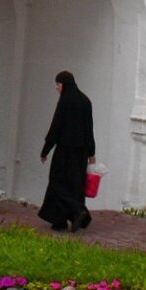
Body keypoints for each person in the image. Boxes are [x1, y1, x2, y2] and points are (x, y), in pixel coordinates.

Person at [38, 70, 95, 232]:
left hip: (64, 151)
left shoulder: (64, 102)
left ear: (64, 85)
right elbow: (89, 129)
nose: (57, 88)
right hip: (81, 153)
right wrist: (91, 153)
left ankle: (79, 211)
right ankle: (60, 220)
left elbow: (55, 127)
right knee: (74, 185)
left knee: (57, 182)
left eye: (58, 84)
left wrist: (45, 150)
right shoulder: (85, 101)